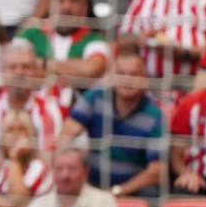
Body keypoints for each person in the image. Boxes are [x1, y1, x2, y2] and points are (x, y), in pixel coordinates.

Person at [61, 46, 164, 197]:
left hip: (130, 191)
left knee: (152, 193)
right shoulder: (96, 97)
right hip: (90, 184)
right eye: (121, 73)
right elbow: (65, 136)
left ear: (145, 78)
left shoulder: (155, 116)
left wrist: (117, 192)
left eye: (133, 74)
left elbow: (156, 171)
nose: (127, 79)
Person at [14, 0, 108, 112]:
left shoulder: (95, 39)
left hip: (76, 115)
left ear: (84, 6)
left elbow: (91, 70)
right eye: (60, 0)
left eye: (73, 1)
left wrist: (42, 64)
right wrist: (72, 73)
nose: (66, 7)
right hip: (30, 112)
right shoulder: (31, 33)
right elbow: (15, 69)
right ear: (51, 5)